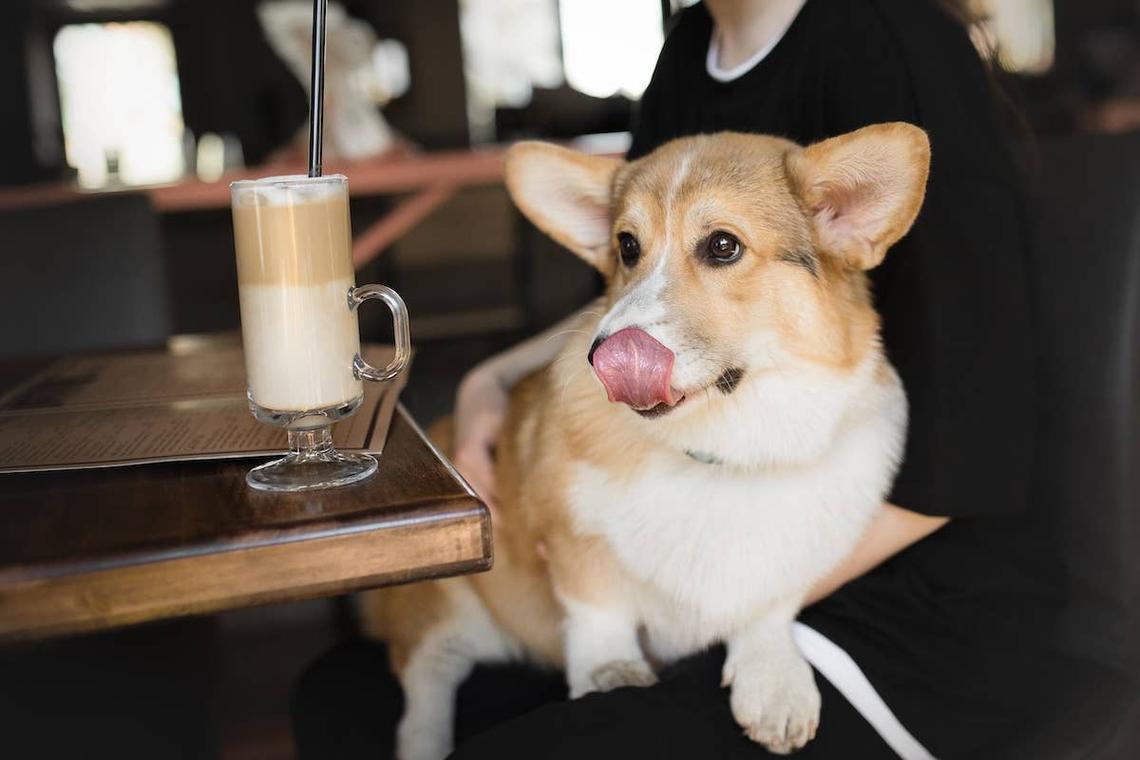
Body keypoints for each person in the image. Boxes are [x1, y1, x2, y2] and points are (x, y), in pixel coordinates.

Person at [293, 1, 1136, 757]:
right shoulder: (692, 47)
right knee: (346, 698)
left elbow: (978, 438)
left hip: (908, 609)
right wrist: (491, 377)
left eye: (723, 245)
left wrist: (729, 613)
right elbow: (644, 295)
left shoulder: (889, 38)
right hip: (725, 541)